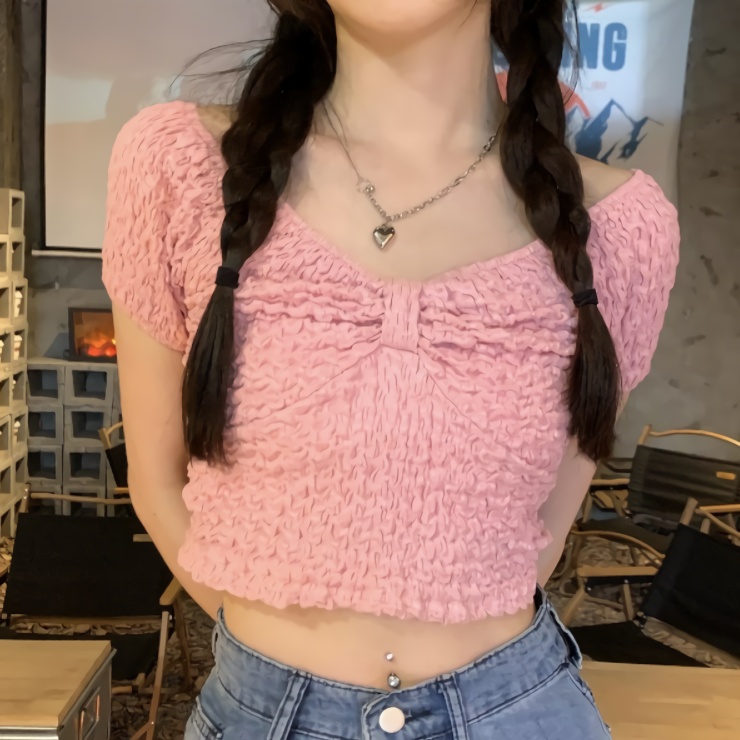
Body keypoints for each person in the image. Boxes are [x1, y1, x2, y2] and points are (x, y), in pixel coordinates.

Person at [102, 1, 680, 737]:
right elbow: (157, 483)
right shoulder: (179, 166)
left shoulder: (623, 230)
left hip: (518, 711)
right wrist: (279, 670)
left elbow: (540, 534)